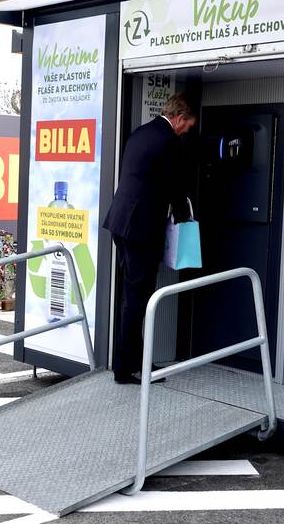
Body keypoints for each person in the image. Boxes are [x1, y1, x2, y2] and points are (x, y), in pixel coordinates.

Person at [102, 93, 197, 384]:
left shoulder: (142, 133)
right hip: (141, 230)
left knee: (132, 297)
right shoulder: (168, 140)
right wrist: (186, 218)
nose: (187, 130)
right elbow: (173, 186)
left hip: (122, 223)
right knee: (137, 299)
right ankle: (130, 368)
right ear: (179, 118)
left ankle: (130, 363)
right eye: (188, 125)